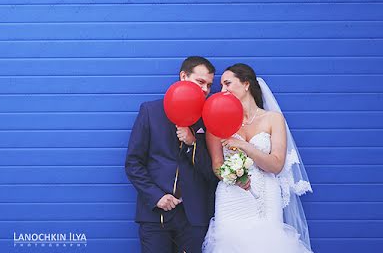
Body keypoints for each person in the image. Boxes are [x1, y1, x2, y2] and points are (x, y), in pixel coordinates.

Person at [203, 63, 313, 253]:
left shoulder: (273, 119)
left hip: (265, 196)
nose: (222, 90)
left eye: (227, 83)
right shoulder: (215, 120)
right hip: (232, 197)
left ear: (246, 84)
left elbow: (276, 165)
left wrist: (245, 146)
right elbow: (217, 165)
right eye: (221, 85)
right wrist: (234, 177)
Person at [125, 56, 221, 253]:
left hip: (194, 218)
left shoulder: (209, 118)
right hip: (155, 215)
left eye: (209, 85)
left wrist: (192, 143)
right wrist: (156, 195)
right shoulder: (151, 111)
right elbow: (133, 163)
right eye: (200, 82)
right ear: (183, 76)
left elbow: (212, 173)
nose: (205, 89)